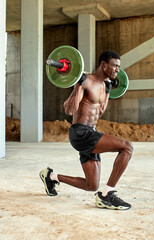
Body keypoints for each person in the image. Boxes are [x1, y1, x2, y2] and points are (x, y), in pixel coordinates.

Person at [40, 50, 134, 210]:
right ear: (104, 65)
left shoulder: (105, 86)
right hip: (80, 133)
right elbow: (69, 110)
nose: (118, 70)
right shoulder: (87, 80)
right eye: (115, 66)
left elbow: (101, 110)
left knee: (91, 185)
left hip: (92, 133)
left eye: (119, 67)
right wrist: (78, 83)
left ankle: (51, 176)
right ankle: (107, 195)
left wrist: (109, 90)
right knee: (127, 146)